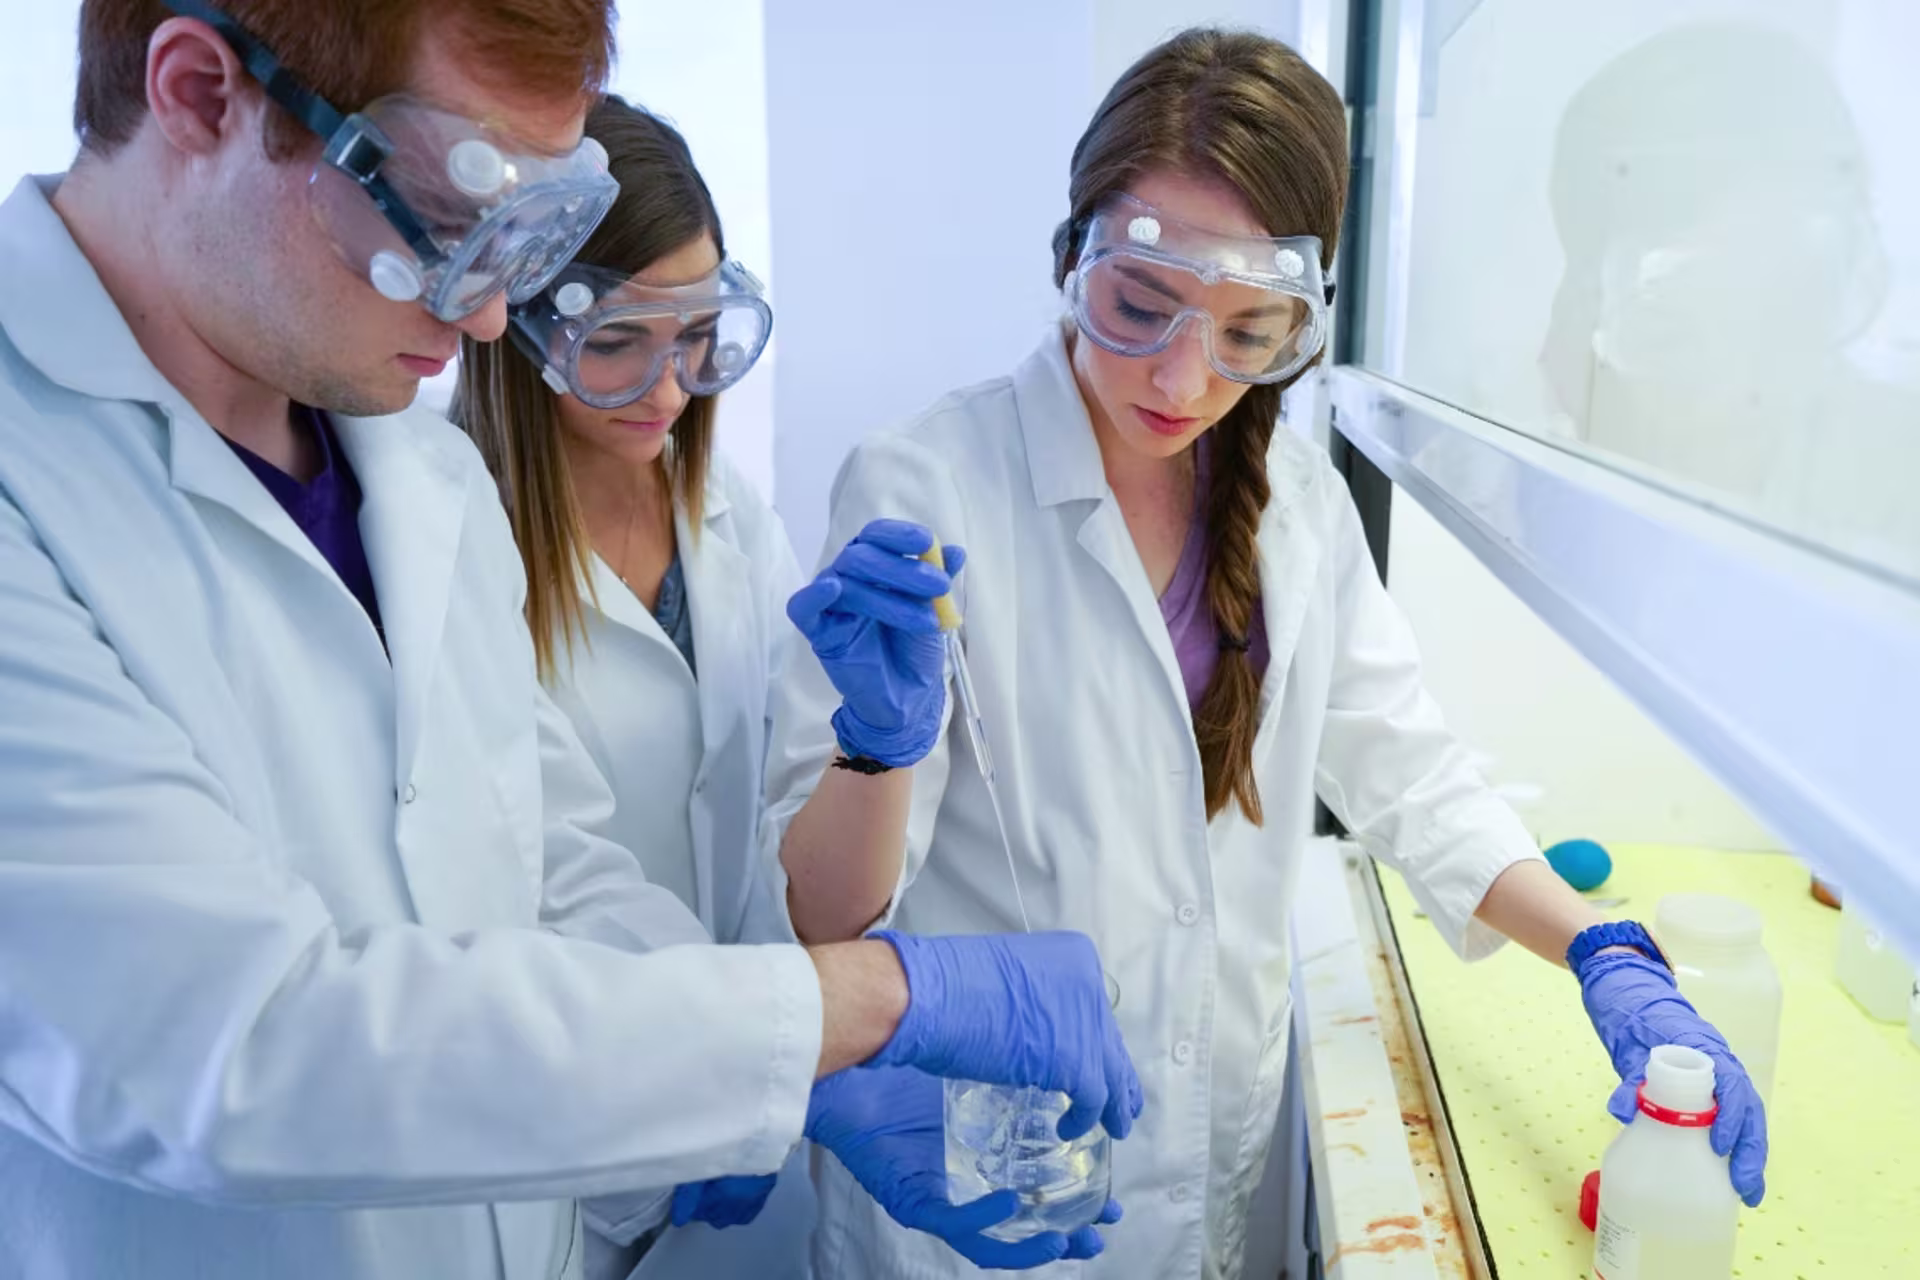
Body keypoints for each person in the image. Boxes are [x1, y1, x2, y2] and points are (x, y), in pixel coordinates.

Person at [0, 2, 1140, 1277]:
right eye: (443, 215)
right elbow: (236, 1046)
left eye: (525, 234)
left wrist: (800, 1076)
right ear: (202, 94)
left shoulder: (419, 473)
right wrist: (871, 1002)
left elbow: (555, 866)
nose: (494, 321)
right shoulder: (25, 490)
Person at [762, 28, 1768, 1280]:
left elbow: (1408, 772)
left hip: (1203, 1161)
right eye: (1141, 307)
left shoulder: (1297, 503)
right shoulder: (926, 486)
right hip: (976, 1177)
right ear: (1071, 257)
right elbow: (822, 918)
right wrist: (875, 748)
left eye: (1249, 333)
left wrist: (1604, 952)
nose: (1183, 378)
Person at [452, 96, 805, 1279]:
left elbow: (786, 808)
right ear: (518, 327)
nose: (670, 385)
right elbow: (541, 878)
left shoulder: (730, 516)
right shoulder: (457, 546)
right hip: (577, 1133)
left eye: (700, 335)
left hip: (749, 1111)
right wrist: (718, 1060)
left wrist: (868, 727)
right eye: (618, 341)